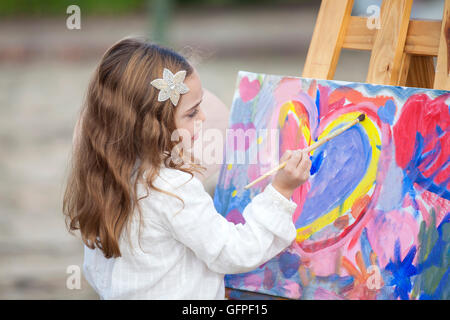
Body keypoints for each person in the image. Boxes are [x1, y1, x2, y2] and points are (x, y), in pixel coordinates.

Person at [63, 37, 311, 299]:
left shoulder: (105, 178)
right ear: (152, 125)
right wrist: (281, 192)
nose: (203, 117)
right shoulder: (173, 189)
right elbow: (235, 252)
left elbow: (97, 272)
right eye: (192, 113)